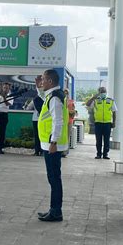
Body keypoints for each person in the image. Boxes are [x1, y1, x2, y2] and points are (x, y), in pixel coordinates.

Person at [37, 69, 69, 222]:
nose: (41, 81)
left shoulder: (55, 98)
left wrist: (53, 142)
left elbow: (58, 121)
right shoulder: (53, 95)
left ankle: (56, 212)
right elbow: (43, 98)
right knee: (53, 178)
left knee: (54, 178)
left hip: (52, 145)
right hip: (49, 143)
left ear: (50, 81)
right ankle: (54, 209)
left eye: (43, 79)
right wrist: (38, 88)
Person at [86, 87, 117, 160]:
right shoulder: (96, 101)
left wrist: (114, 122)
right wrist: (93, 97)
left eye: (104, 91)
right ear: (99, 92)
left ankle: (105, 154)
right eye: (101, 91)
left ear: (106, 92)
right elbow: (87, 104)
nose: (103, 93)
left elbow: (114, 112)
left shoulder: (110, 101)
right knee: (98, 139)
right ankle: (98, 154)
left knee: (106, 140)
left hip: (107, 123)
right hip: (98, 123)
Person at [23, 77, 44, 156]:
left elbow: (28, 108)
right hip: (42, 119)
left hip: (36, 119)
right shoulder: (45, 99)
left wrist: (26, 105)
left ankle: (37, 151)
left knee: (36, 135)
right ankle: (42, 150)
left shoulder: (35, 99)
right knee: (41, 135)